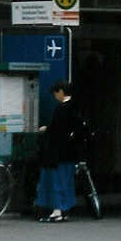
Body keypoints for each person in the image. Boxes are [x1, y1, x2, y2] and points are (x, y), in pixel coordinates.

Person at [35, 80, 79, 223]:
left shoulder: (62, 108)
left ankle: (57, 211)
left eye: (55, 93)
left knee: (56, 181)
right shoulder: (75, 107)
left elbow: (56, 130)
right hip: (70, 152)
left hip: (58, 153)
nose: (55, 96)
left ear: (60, 92)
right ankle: (65, 209)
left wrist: (45, 129)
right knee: (67, 181)